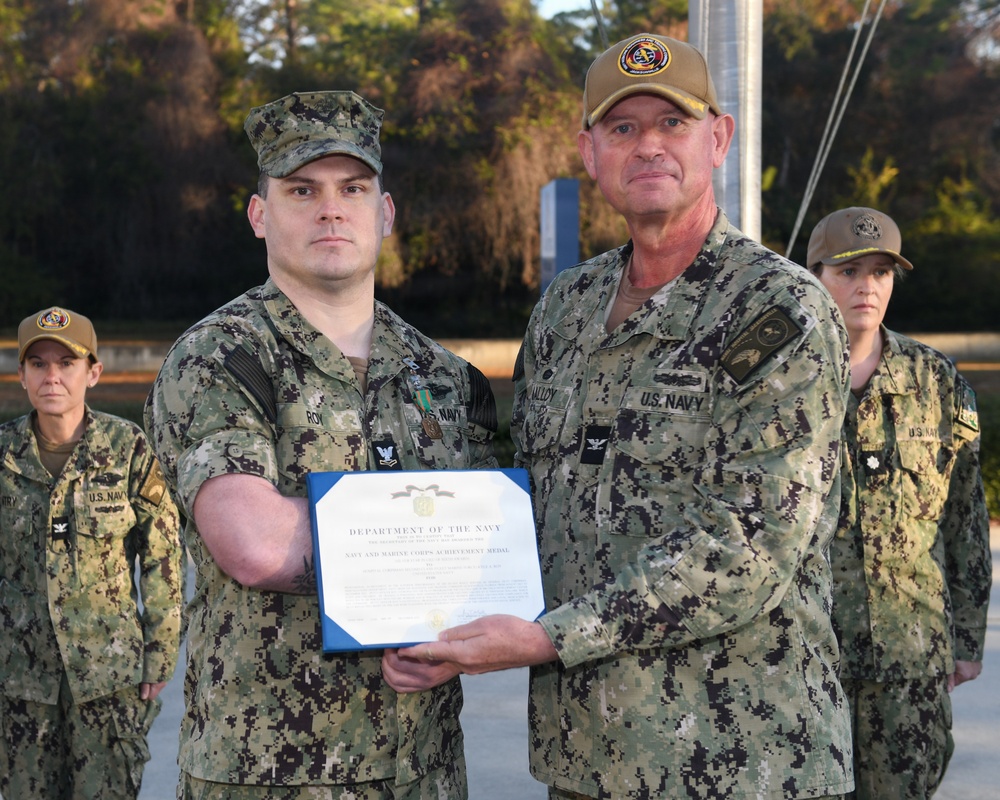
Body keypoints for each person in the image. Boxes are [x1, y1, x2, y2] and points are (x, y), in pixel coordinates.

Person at [385, 33, 855, 799]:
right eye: (623, 128)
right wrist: (421, 605)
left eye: (673, 123)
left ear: (718, 137)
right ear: (589, 150)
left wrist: (546, 637)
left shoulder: (779, 309)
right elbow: (529, 498)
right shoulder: (566, 308)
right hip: (586, 757)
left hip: (740, 760)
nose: (649, 147)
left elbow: (751, 543)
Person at [142, 90, 499, 799]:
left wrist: (464, 619)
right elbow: (255, 543)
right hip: (270, 775)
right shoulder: (221, 358)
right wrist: (438, 553)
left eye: (353, 189)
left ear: (385, 213)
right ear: (259, 215)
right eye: (302, 190)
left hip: (422, 773)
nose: (331, 209)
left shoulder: (446, 376)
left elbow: (498, 547)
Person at [804, 206, 992, 799]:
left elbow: (964, 518)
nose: (867, 286)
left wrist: (967, 640)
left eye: (881, 272)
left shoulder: (934, 380)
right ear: (813, 276)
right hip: (808, 656)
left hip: (910, 659)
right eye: (850, 270)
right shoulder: (780, 380)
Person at [0, 306, 184, 799]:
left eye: (67, 363)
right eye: (38, 364)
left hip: (109, 679)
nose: (52, 376)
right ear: (20, 375)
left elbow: (163, 556)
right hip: (20, 685)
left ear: (93, 373)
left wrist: (160, 653)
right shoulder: (3, 454)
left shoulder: (128, 451)